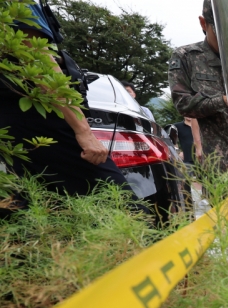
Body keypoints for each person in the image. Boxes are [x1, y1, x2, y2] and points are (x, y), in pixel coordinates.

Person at [0, 1, 136, 201]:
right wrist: (84, 132)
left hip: (19, 124)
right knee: (120, 204)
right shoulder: (18, 3)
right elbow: (41, 66)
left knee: (39, 207)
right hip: (39, 118)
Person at [168, 0, 228, 172]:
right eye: (220, 31)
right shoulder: (187, 57)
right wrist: (223, 100)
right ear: (203, 23)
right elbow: (183, 104)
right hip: (219, 166)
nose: (227, 38)